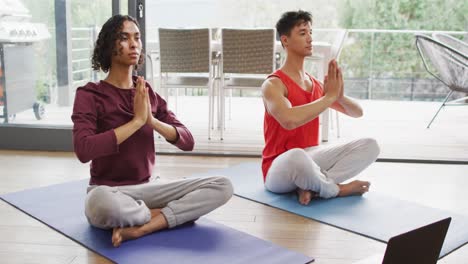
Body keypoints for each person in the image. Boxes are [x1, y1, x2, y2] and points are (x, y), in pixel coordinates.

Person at [71, 15, 233, 247]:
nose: (134, 44)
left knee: (223, 185)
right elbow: (84, 149)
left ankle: (142, 227)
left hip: (150, 187)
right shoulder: (90, 94)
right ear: (108, 46)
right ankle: (164, 215)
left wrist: (151, 121)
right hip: (109, 191)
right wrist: (136, 122)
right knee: (99, 204)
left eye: (137, 38)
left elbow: (187, 141)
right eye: (124, 38)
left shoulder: (145, 91)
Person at [261, 10, 380, 206]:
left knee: (370, 145)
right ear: (285, 40)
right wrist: (329, 97)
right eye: (302, 33)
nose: (310, 38)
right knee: (297, 156)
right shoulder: (273, 84)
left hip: (311, 157)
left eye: (310, 32)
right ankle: (336, 189)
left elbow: (357, 112)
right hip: (279, 167)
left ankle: (312, 187)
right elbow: (289, 120)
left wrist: (339, 97)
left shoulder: (314, 84)